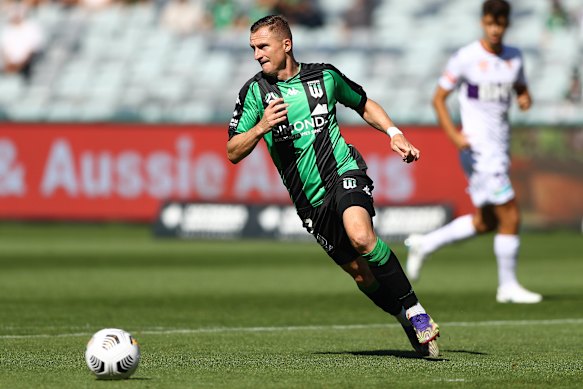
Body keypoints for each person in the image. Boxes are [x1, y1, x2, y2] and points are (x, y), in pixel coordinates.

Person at [227, 15, 440, 357]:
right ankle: (403, 317)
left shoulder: (324, 76)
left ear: (286, 44)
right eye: (252, 48)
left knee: (361, 236)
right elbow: (232, 151)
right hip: (309, 201)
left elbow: (363, 102)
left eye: (263, 46)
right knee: (361, 275)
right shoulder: (254, 92)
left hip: (343, 171)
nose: (256, 55)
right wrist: (260, 127)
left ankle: (415, 310)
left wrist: (394, 133)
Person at [405, 0, 542, 304]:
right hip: (479, 151)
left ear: (506, 24)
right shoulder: (466, 57)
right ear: (483, 22)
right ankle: (507, 286)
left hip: (500, 147)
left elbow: (521, 89)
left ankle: (425, 244)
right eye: (491, 23)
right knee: (511, 215)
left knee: (487, 222)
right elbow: (439, 98)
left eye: (500, 24)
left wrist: (525, 99)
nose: (495, 29)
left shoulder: (514, 57)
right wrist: (453, 134)